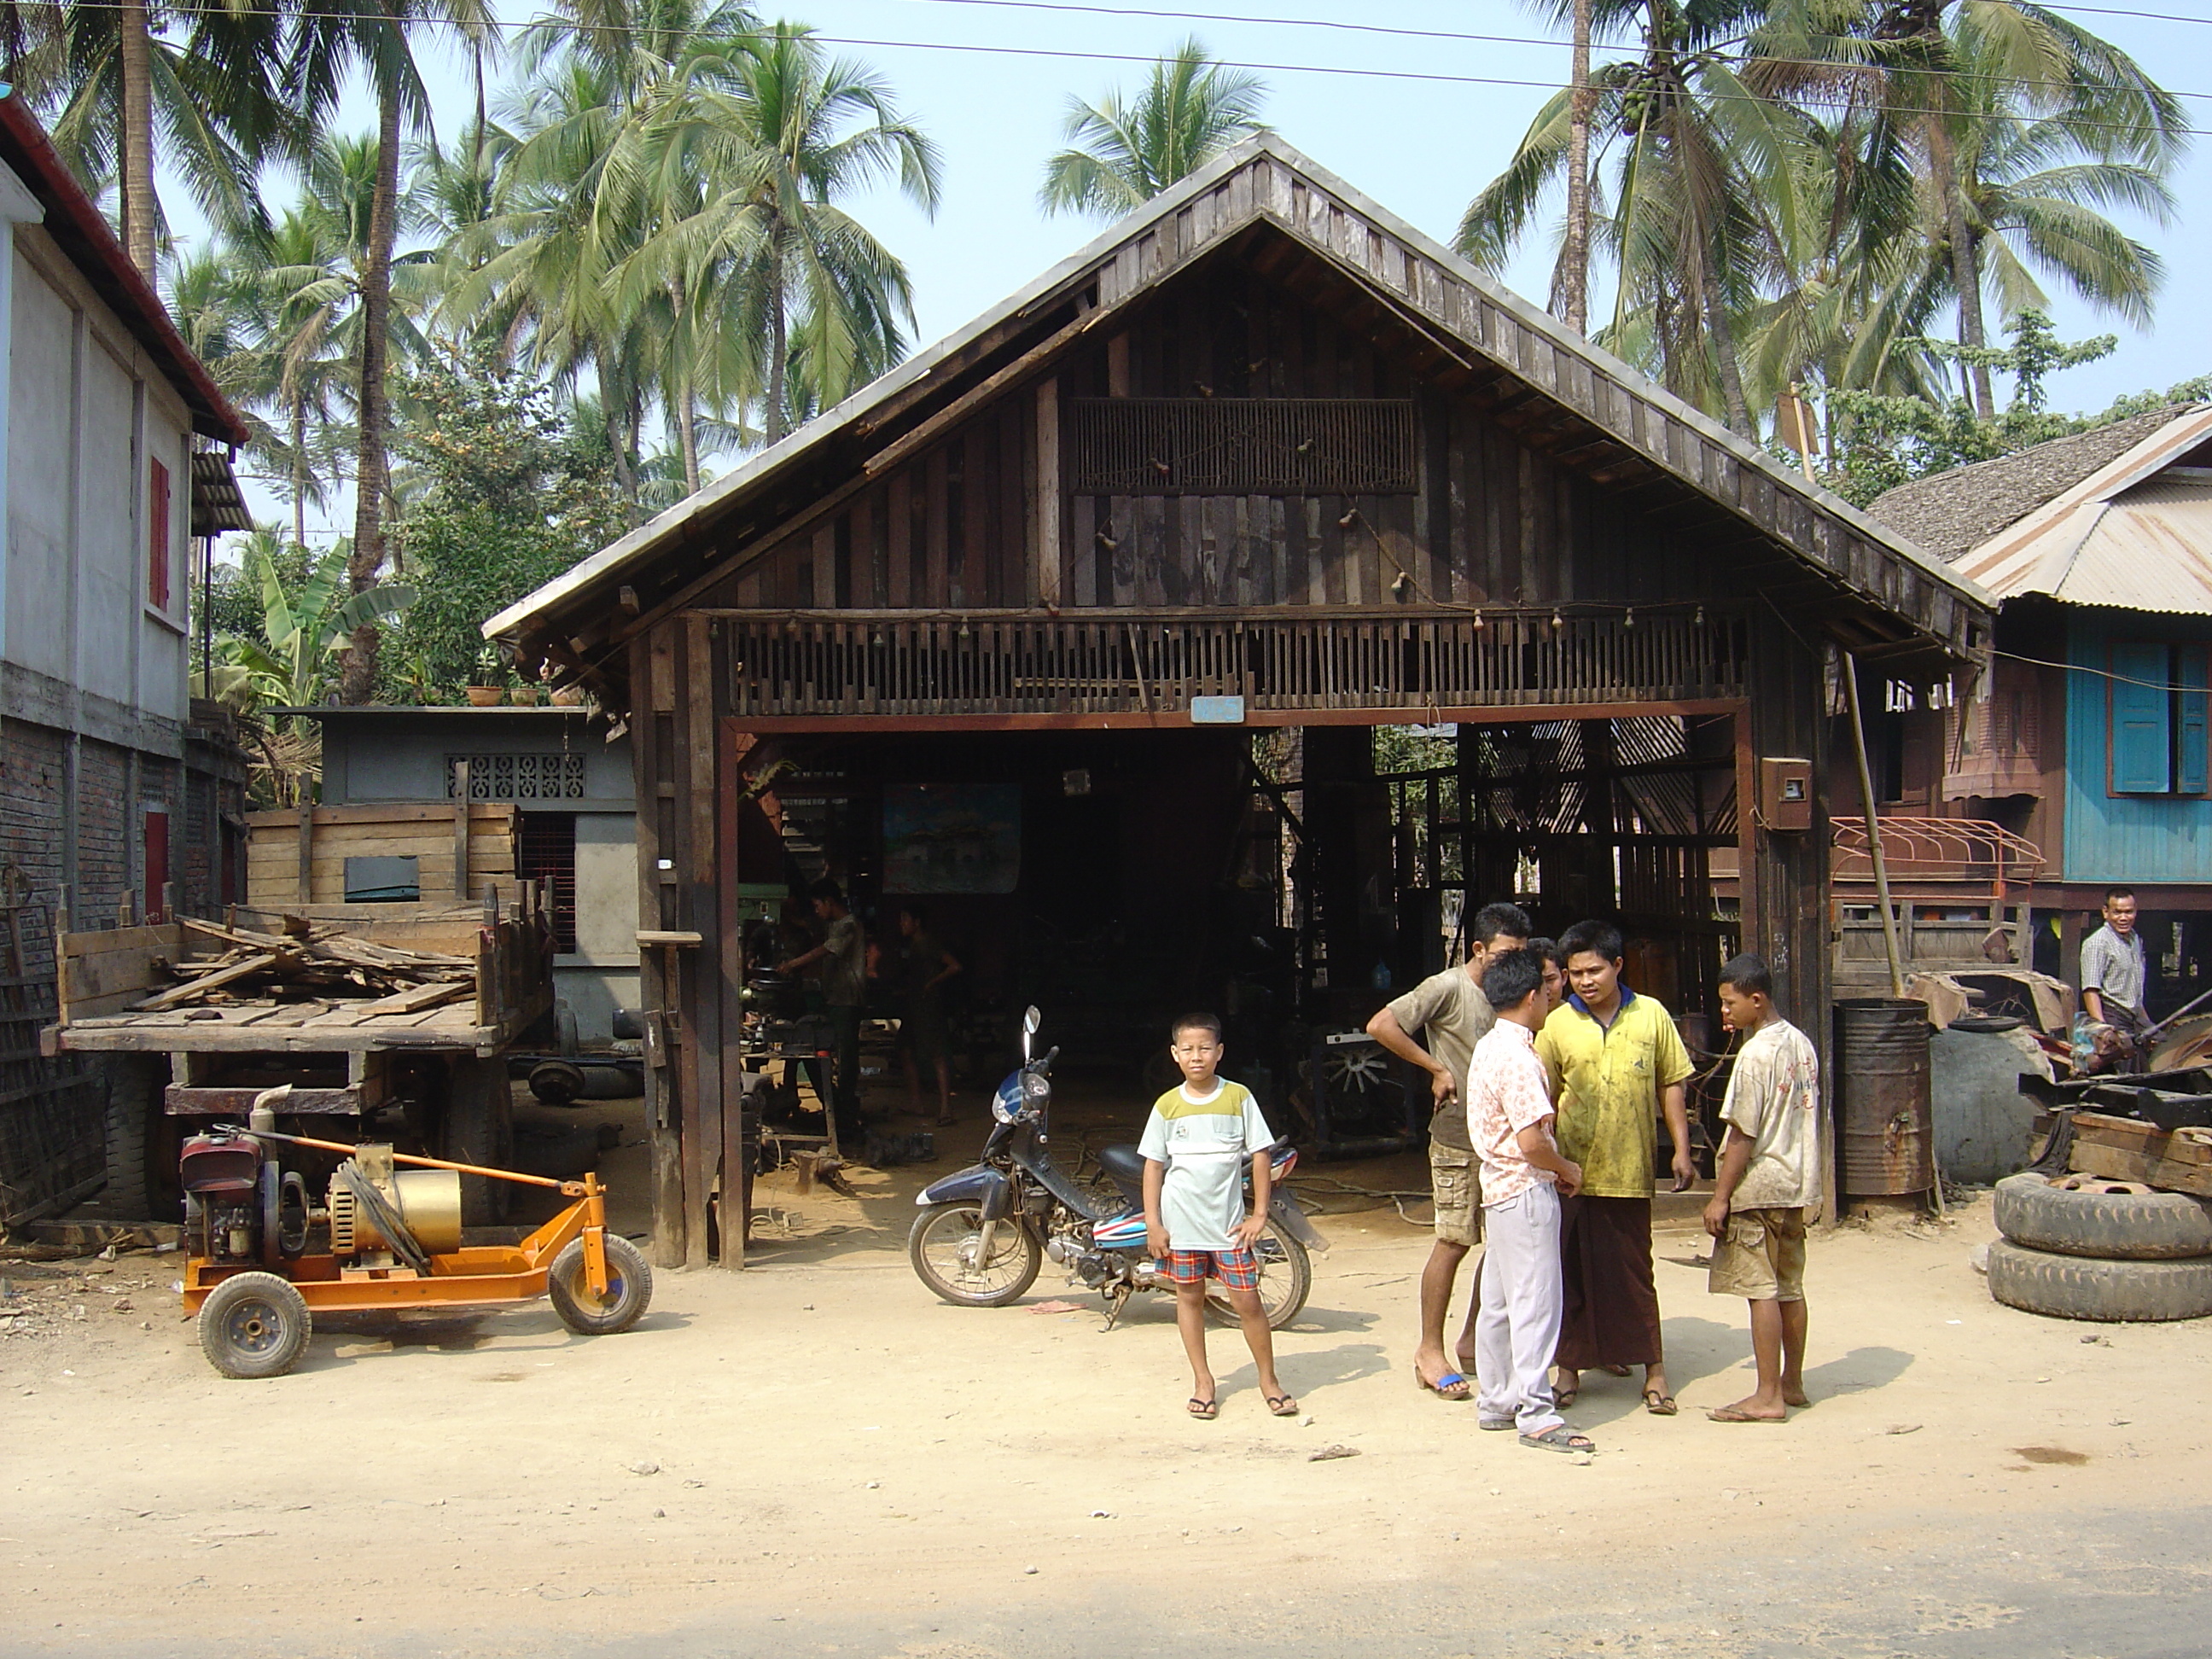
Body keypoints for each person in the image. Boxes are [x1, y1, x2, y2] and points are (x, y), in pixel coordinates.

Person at [1365, 900, 1532, 1400]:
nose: (1513, 963)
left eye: (1520, 954)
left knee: (1501, 1245)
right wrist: (1436, 1068)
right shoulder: (1448, 988)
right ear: (1479, 949)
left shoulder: (1518, 991)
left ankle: (1472, 1340)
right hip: (1458, 1137)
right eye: (1505, 954)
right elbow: (1382, 1025)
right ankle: (1429, 1349)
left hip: (1504, 1142)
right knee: (1455, 1240)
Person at [1537, 920, 1697, 1417]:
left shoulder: (1651, 1016)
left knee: (1633, 1275)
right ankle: (1568, 1369)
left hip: (1629, 1168)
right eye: (1574, 972)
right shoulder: (1558, 1024)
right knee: (1571, 1273)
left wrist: (1681, 1147)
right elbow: (1544, 1095)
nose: (1585, 980)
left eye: (1594, 970)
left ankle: (1654, 1370)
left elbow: (1672, 1082)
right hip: (1572, 1172)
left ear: (1618, 966)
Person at [1140, 1012, 1298, 1422]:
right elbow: (1154, 1168)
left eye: (1205, 1048)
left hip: (1229, 1229)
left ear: (1220, 1052)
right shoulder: (1167, 1106)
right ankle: (1203, 1382)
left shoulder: (1238, 1098)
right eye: (1188, 1050)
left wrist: (1259, 1214)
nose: (1197, 1057)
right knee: (1189, 1298)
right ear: (1175, 1055)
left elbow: (1261, 1155)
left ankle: (1269, 1380)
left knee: (1248, 1302)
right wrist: (1154, 1224)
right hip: (1181, 1227)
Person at [1467, 946, 1591, 1452]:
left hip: (1498, 1191)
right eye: (1547, 988)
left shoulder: (1489, 1047)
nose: (1552, 995)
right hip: (1524, 1189)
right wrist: (1566, 1169)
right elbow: (1532, 1141)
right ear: (1530, 996)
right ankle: (1536, 1412)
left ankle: (1497, 1399)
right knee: (1535, 1302)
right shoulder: (1520, 1057)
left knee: (1498, 1301)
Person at [1702, 952, 1819, 1423]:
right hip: (1795, 1185)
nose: (1724, 1012)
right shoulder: (1801, 1045)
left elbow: (1742, 1136)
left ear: (1757, 999)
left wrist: (1721, 1196)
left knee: (1761, 1290)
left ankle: (1767, 1394)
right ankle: (1792, 1383)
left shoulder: (1755, 1055)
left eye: (1730, 1004)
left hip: (1760, 1188)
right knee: (1791, 1286)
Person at [779, 880, 866, 1140]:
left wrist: (793, 964)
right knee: (821, 1053)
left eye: (818, 905)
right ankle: (837, 1109)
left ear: (830, 902)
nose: (816, 910)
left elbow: (825, 950)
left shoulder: (849, 925)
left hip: (847, 1000)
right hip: (833, 998)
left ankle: (846, 1115)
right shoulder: (831, 925)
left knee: (847, 1057)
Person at [896, 906, 962, 1125]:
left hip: (928, 1007)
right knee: (906, 1051)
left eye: (905, 919)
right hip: (913, 1007)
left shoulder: (928, 943)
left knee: (937, 1055)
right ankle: (916, 1102)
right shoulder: (912, 946)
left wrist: (931, 983)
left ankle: (945, 1108)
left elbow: (954, 966)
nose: (902, 924)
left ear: (917, 922)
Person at [2080, 888, 2149, 1066]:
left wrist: (2146, 1022)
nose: (2123, 918)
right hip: (2112, 1018)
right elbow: (2090, 990)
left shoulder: (2134, 940)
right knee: (2121, 1082)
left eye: (2128, 912)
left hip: (2132, 1019)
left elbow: (2135, 989)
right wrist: (2104, 1031)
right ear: (2106, 912)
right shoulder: (2097, 943)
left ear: (2135, 911)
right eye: (2117, 912)